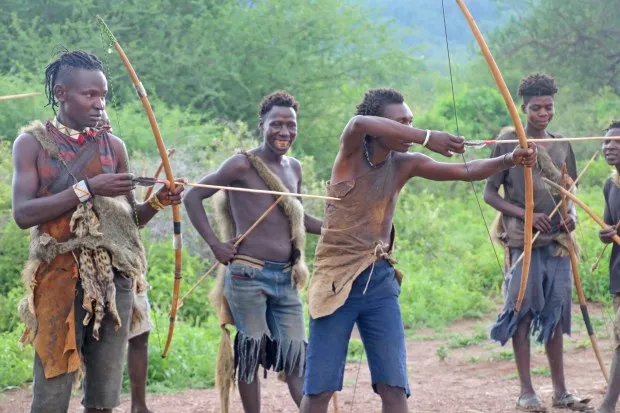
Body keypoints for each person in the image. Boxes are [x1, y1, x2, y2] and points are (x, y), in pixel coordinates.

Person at [300, 87, 537, 413]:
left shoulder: (404, 163)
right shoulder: (352, 155)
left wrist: (508, 159)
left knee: (394, 387)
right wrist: (427, 136)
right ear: (379, 126)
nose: (409, 129)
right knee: (319, 390)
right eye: (401, 123)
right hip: (335, 279)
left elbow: (465, 171)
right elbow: (356, 123)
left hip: (380, 280)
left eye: (412, 121)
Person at [12, 50, 182, 413]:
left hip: (112, 280)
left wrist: (157, 203)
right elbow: (23, 214)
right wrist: (87, 187)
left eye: (102, 95)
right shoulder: (32, 144)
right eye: (89, 94)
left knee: (104, 397)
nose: (99, 103)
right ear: (60, 93)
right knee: (52, 394)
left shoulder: (112, 146)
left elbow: (126, 224)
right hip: (58, 275)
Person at [183, 91, 322, 413]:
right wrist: (215, 245)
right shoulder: (242, 164)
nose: (284, 132)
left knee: (296, 355)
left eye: (290, 124)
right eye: (276, 124)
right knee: (250, 351)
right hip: (247, 273)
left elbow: (299, 216)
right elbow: (192, 197)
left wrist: (339, 231)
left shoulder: (295, 168)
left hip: (286, 277)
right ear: (262, 125)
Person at [484, 73, 591, 412]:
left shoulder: (561, 143)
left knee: (555, 315)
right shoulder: (508, 142)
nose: (543, 113)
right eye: (535, 108)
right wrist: (525, 216)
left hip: (558, 242)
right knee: (522, 313)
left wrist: (571, 215)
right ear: (523, 108)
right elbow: (490, 193)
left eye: (548, 107)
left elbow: (569, 189)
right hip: (523, 242)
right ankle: (526, 392)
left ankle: (561, 392)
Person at [100, 110, 155, 413]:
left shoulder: (115, 156)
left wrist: (159, 201)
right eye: (96, 117)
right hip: (85, 268)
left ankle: (139, 406)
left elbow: (134, 217)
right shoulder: (68, 160)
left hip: (125, 263)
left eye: (107, 118)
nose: (104, 122)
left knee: (140, 333)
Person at [596, 121, 620, 413]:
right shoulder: (610, 184)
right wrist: (606, 234)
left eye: (616, 142)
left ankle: (607, 405)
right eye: (606, 143)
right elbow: (607, 228)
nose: (609, 147)